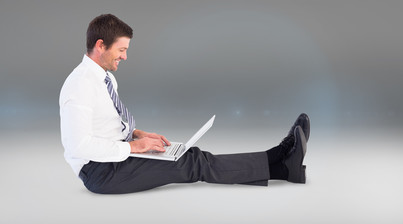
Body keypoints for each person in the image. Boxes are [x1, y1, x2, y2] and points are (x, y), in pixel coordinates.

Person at [59, 14, 310, 194]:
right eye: (121, 49)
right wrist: (134, 147)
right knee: (193, 164)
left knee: (188, 155)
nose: (125, 56)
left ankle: (284, 167)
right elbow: (78, 145)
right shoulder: (79, 85)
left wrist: (137, 134)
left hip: (116, 155)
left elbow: (105, 125)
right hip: (101, 173)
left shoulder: (106, 78)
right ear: (100, 45)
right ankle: (279, 160)